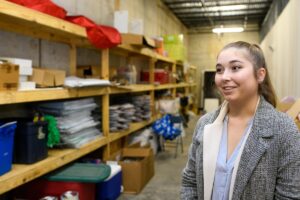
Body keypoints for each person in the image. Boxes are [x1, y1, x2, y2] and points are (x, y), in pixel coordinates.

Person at [181, 41, 300, 200]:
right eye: (219, 70)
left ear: (260, 74)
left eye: (235, 67)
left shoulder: (284, 129)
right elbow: (190, 181)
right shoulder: (205, 123)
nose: (224, 77)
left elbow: (289, 195)